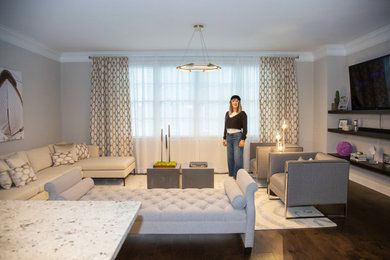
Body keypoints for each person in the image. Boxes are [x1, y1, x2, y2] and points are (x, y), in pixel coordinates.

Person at [222, 95, 247, 179]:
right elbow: (225, 126)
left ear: (239, 103)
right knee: (230, 158)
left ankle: (239, 178)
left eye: (237, 101)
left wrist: (243, 139)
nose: (235, 102)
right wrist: (224, 138)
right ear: (231, 103)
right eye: (233, 101)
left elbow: (245, 128)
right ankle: (232, 176)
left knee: (238, 159)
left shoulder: (242, 114)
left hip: (237, 137)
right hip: (229, 137)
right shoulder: (227, 114)